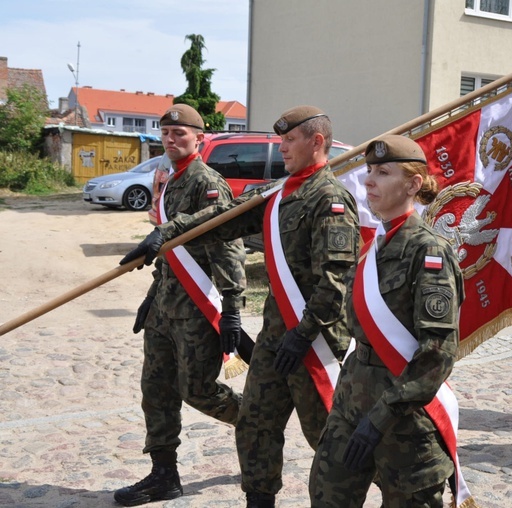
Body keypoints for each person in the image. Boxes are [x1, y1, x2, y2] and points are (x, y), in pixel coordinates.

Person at [121, 105, 359, 507]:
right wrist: (167, 231)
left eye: (288, 140)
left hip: (314, 339)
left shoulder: (331, 200)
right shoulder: (280, 192)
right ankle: (259, 499)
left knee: (328, 434)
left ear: (316, 142)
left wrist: (301, 336)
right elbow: (224, 216)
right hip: (274, 337)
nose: (280, 148)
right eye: (280, 140)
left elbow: (335, 283)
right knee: (255, 424)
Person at [309, 135, 468, 507]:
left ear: (412, 184)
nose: (368, 180)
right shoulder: (375, 245)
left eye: (383, 172)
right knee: (327, 495)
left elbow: (437, 354)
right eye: (369, 171)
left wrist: (381, 417)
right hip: (351, 402)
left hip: (404, 418)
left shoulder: (429, 252)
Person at [114, 104, 247, 506]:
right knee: (155, 390)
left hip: (196, 307)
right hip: (165, 307)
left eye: (180, 133)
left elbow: (226, 246)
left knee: (199, 390)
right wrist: (151, 298)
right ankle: (163, 475)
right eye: (166, 132)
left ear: (199, 138)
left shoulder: (207, 181)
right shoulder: (172, 179)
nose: (171, 139)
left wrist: (233, 306)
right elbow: (171, 253)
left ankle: (256, 418)